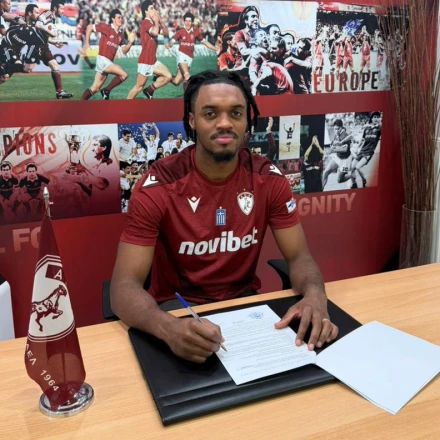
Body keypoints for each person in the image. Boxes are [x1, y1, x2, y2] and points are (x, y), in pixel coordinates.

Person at [110, 70, 338, 364]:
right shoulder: (159, 184)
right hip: (179, 312)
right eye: (210, 114)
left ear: (247, 121)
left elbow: (299, 258)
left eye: (236, 113)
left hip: (246, 308)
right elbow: (124, 286)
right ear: (192, 121)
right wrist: (167, 328)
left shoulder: (268, 178)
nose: (225, 123)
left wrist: (315, 296)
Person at [81, 9, 136, 100]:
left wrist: (130, 42)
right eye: (118, 17)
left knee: (94, 88)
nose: (121, 19)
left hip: (108, 62)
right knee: (124, 74)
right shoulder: (106, 27)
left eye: (121, 18)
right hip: (102, 60)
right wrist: (86, 42)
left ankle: (79, 104)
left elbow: (124, 51)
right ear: (113, 19)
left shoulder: (120, 34)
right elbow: (90, 27)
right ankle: (106, 90)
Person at [127, 0, 172, 100]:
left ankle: (149, 90)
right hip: (145, 62)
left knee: (168, 76)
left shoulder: (153, 23)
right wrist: (156, 21)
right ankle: (125, 105)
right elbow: (155, 32)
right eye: (151, 8)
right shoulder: (146, 22)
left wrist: (160, 21)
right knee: (138, 87)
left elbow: (166, 34)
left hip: (153, 60)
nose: (154, 10)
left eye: (154, 8)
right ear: (146, 12)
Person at [165, 11, 217, 92]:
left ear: (192, 22)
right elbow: (172, 41)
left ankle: (163, 76)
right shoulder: (180, 31)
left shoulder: (196, 32)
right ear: (184, 21)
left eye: (189, 21)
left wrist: (216, 48)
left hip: (190, 58)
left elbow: (205, 42)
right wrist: (169, 44)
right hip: (181, 55)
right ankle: (188, 97)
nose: (187, 23)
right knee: (187, 76)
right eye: (186, 21)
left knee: (176, 82)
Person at [351, 112, 382, 188]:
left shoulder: (379, 128)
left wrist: (380, 122)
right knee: (352, 167)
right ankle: (354, 184)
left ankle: (364, 180)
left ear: (379, 119)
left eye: (377, 117)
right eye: (374, 117)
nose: (376, 119)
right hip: (362, 151)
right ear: (371, 118)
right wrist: (357, 148)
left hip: (369, 152)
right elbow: (362, 140)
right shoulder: (366, 128)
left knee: (358, 167)